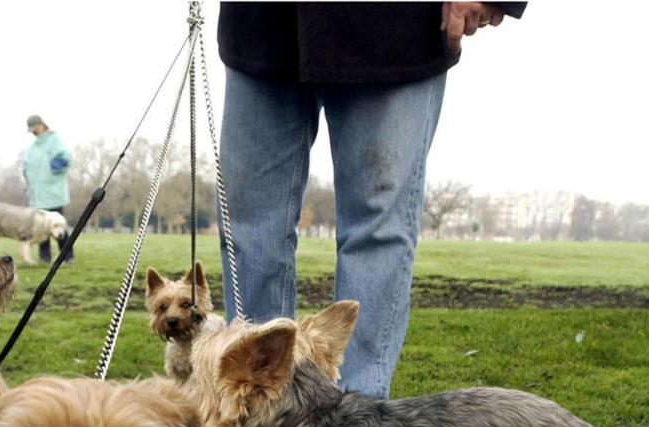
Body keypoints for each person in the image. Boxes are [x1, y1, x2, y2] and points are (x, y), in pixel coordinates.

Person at [217, 2, 523, 398]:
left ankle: (356, 426)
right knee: (249, 227)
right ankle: (256, 419)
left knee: (377, 229)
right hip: (263, 22)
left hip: (393, 26)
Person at [21, 114, 73, 263]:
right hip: (37, 193)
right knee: (40, 227)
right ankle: (44, 256)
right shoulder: (33, 147)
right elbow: (26, 164)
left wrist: (56, 166)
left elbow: (65, 158)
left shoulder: (55, 140)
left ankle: (67, 256)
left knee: (59, 226)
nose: (33, 132)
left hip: (53, 191)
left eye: (35, 128)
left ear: (41, 125)